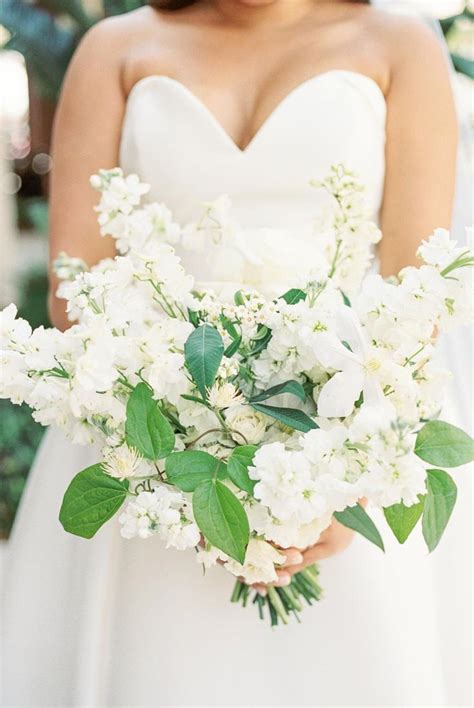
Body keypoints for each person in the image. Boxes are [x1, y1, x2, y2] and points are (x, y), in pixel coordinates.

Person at [3, 1, 464, 705]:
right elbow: (77, 290)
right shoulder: (116, 49)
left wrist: (339, 488)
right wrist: (182, 458)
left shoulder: (399, 44)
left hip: (336, 452)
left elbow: (416, 295)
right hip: (143, 457)